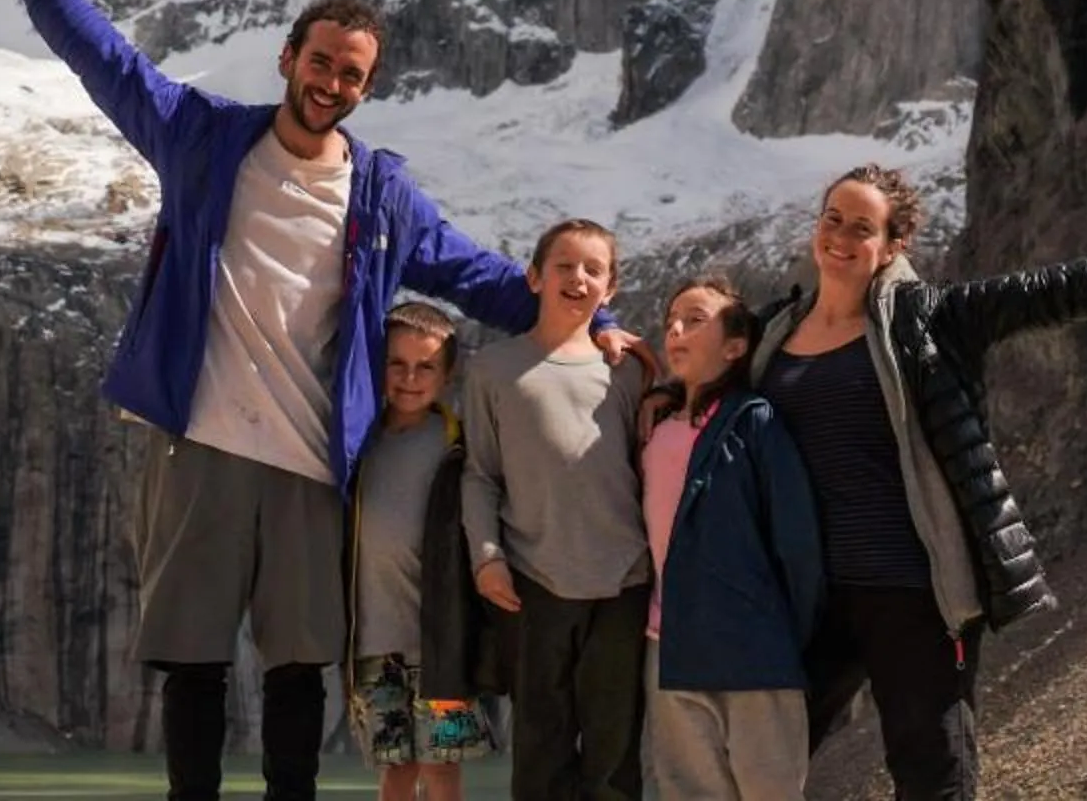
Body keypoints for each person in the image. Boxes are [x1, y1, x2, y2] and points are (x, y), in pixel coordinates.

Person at [0, 0, 634, 801]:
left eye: (352, 74)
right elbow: (106, 61)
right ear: (289, 59)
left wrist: (595, 317)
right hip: (200, 441)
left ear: (367, 88)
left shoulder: (381, 195)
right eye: (322, 62)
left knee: (299, 664)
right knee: (194, 658)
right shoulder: (202, 137)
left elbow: (484, 279)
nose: (333, 82)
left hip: (309, 458)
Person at [753, 163, 1087, 801]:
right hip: (810, 597)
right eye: (833, 219)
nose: (840, 237)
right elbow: (699, 361)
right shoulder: (773, 334)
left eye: (862, 227)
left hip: (915, 592)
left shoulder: (928, 319)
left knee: (932, 773)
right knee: (757, 759)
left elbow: (1049, 291)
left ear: (894, 245)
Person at [460, 219, 653, 801]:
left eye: (594, 269)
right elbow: (480, 474)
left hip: (624, 580)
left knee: (614, 749)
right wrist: (487, 557)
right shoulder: (493, 368)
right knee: (541, 745)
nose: (578, 278)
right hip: (533, 580)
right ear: (534, 277)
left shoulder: (629, 370)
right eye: (564, 266)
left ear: (610, 288)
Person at [638, 274, 822, 801]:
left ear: (736, 346)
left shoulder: (754, 422)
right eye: (671, 321)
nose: (675, 330)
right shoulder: (654, 427)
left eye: (694, 320)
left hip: (753, 647)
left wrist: (786, 635)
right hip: (668, 644)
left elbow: (798, 543)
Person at [346, 302, 500, 801]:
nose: (410, 378)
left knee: (442, 769)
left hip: (444, 646)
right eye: (397, 363)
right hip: (374, 646)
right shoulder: (356, 442)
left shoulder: (460, 444)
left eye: (426, 366)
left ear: (447, 374)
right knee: (394, 769)